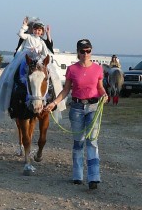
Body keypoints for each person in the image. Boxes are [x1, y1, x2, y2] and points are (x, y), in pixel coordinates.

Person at [44, 39, 108, 190]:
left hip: (93, 107)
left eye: (88, 50)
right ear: (78, 52)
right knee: (78, 142)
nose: (85, 54)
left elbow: (100, 87)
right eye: (82, 51)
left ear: (91, 51)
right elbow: (66, 90)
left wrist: (104, 95)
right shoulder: (72, 69)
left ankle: (94, 177)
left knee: (92, 141)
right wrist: (53, 103)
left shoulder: (98, 69)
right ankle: (77, 175)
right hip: (77, 108)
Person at [0, 16, 65, 122]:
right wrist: (24, 25)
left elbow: (47, 51)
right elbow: (21, 34)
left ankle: (53, 97)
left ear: (41, 31)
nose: (37, 31)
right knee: (10, 73)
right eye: (35, 29)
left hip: (38, 59)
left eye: (39, 30)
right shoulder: (28, 37)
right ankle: (7, 99)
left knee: (53, 76)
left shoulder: (42, 41)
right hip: (25, 57)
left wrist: (48, 35)